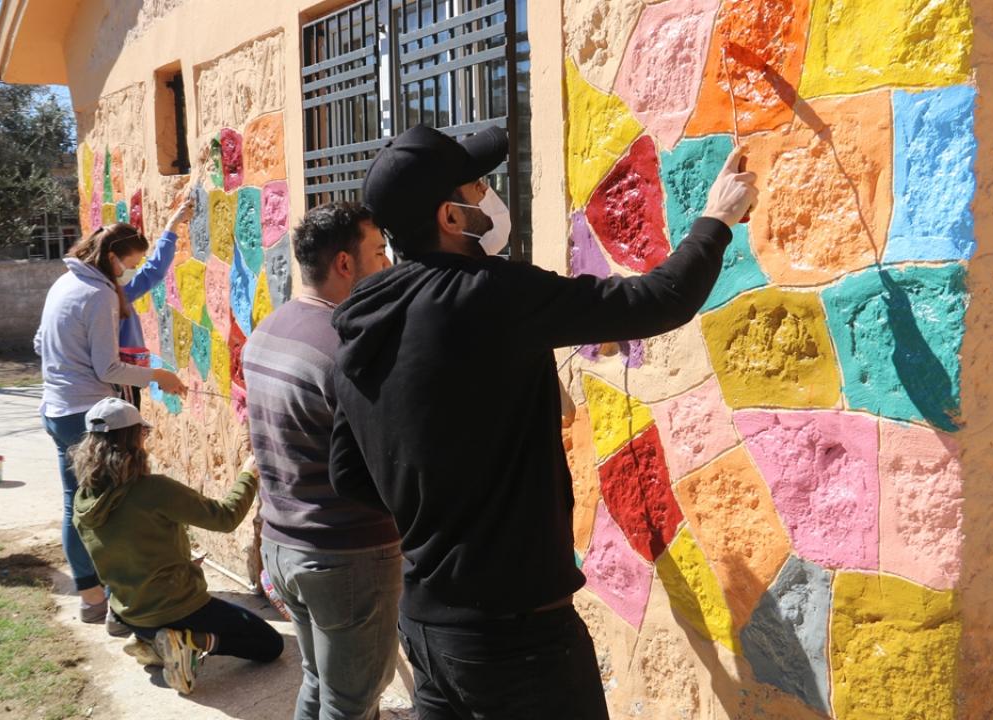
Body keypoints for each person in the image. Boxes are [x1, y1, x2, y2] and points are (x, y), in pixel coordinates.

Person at [329, 125, 758, 720]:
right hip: (515, 640)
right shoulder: (486, 295)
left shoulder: (360, 323)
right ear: (450, 218)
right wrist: (717, 220)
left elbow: (350, 477)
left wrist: (442, 488)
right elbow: (658, 300)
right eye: (477, 186)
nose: (489, 195)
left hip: (427, 625)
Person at [243, 202, 402, 720]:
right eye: (379, 253)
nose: (388, 266)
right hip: (345, 557)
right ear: (343, 264)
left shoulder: (269, 329)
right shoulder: (348, 349)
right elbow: (387, 460)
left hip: (284, 547)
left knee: (318, 681)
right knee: (352, 703)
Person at [70, 396, 283, 695]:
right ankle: (190, 642)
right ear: (133, 439)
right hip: (175, 608)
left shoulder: (83, 499)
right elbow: (225, 518)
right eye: (143, 434)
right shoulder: (154, 490)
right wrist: (249, 474)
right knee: (270, 644)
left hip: (129, 610)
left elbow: (120, 550)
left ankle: (151, 639)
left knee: (168, 618)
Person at [35, 223, 188, 625]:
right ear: (112, 258)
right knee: (115, 509)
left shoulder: (63, 284)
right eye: (130, 264)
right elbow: (108, 367)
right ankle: (123, 606)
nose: (130, 273)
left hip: (55, 409)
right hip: (86, 415)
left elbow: (39, 343)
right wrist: (159, 376)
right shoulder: (98, 293)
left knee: (76, 503)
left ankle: (91, 599)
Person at [117, 195, 195, 406]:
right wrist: (157, 377)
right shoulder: (110, 297)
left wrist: (173, 225)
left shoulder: (116, 291)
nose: (134, 270)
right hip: (117, 384)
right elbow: (153, 270)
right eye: (131, 264)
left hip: (124, 380)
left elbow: (153, 270)